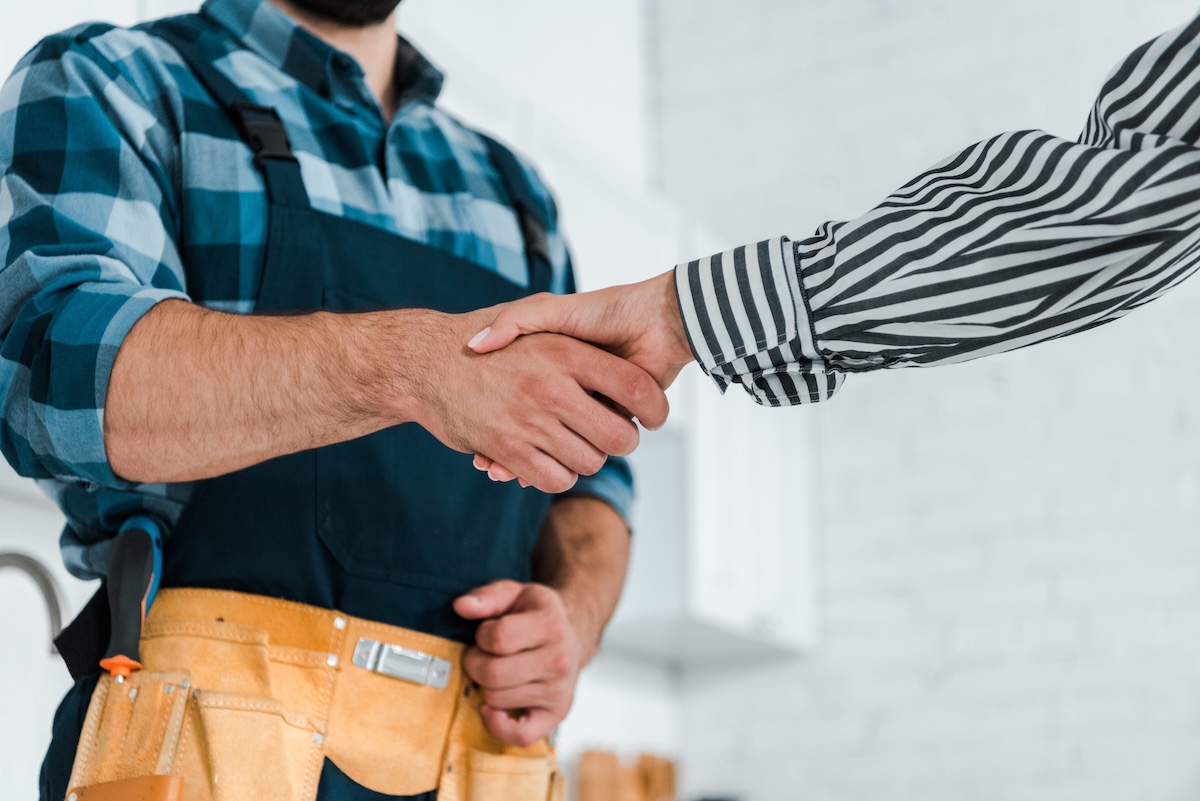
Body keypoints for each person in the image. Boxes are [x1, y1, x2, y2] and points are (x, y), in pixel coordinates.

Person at [0, 1, 669, 799]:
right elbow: (53, 375)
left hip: (480, 760)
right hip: (206, 752)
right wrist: (408, 369)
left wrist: (573, 618)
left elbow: (596, 481)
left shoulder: (515, 195)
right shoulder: (120, 82)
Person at [467, 12, 1200, 483]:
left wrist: (683, 312)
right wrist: (679, 313)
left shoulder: (512, 182)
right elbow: (1132, 195)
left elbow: (1133, 199)